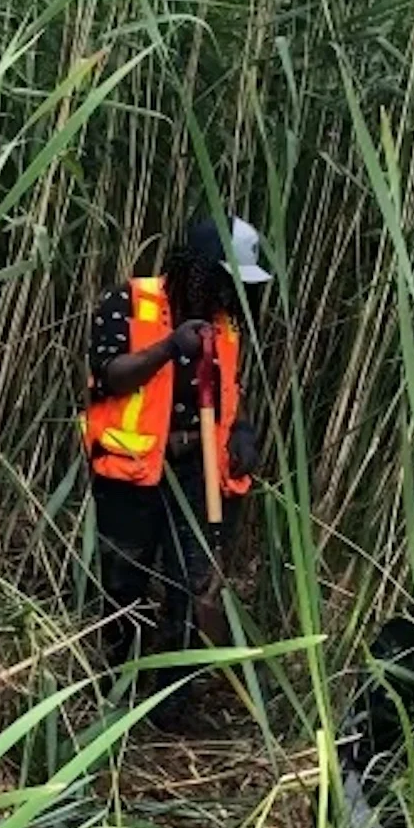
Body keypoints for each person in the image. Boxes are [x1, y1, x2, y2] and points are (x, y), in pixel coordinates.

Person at [81, 215, 269, 684]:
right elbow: (109, 375)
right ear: (199, 269)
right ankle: (115, 687)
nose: (230, 295)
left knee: (193, 583)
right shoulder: (129, 301)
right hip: (132, 471)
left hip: (197, 471)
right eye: (225, 282)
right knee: (125, 583)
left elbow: (229, 394)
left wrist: (243, 432)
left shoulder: (224, 326)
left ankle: (175, 700)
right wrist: (168, 348)